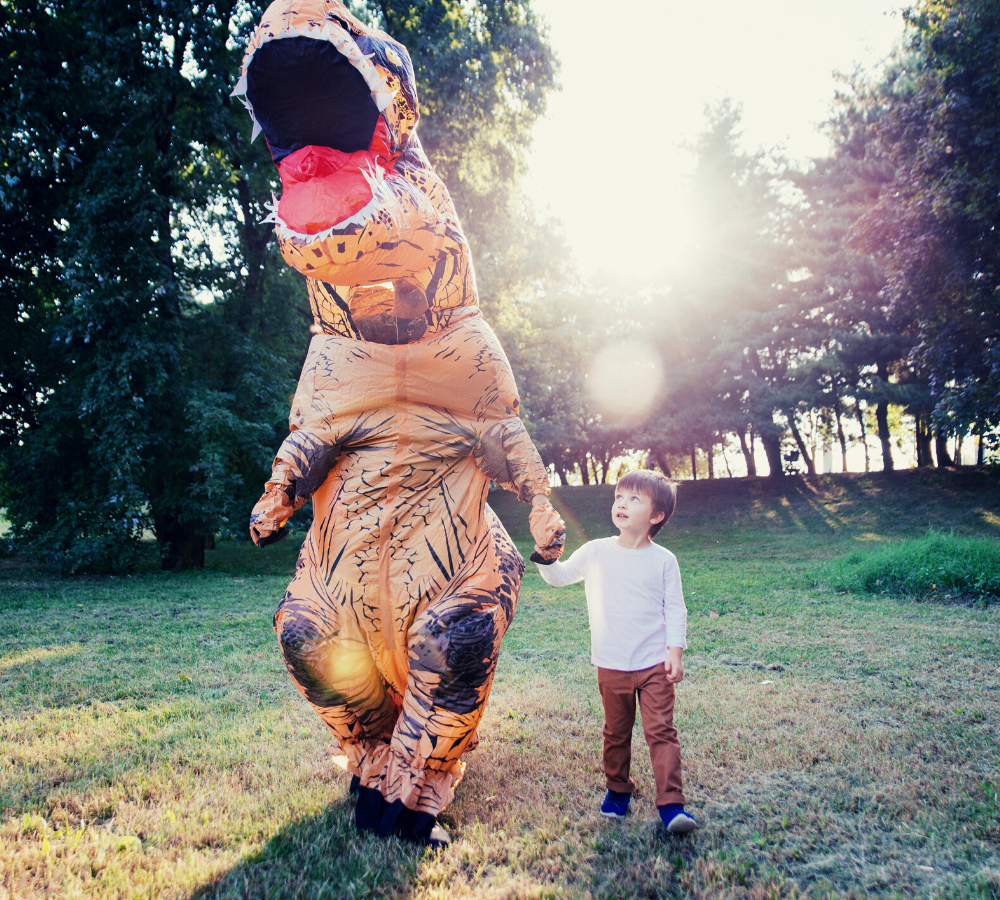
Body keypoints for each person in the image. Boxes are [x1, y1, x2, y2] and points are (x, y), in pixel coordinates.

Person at [532, 469, 698, 833]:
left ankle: (672, 805)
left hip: (655, 662)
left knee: (662, 732)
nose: (621, 503)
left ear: (656, 516)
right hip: (612, 663)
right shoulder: (597, 551)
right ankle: (618, 790)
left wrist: (675, 651)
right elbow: (561, 577)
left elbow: (675, 608)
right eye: (618, 496)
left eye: (633, 499)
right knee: (616, 733)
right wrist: (546, 555)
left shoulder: (664, 560)